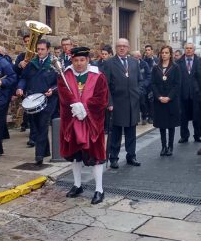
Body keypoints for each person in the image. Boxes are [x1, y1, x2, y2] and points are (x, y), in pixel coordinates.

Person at [58, 47, 109, 204]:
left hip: (91, 122)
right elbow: (63, 93)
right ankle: (77, 185)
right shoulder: (65, 75)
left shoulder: (98, 76)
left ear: (87, 60)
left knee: (96, 156)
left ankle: (99, 189)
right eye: (75, 61)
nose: (79, 64)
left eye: (82, 60)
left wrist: (86, 107)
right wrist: (74, 105)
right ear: (71, 60)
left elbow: (102, 98)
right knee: (75, 156)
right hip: (72, 122)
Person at [16, 40, 58, 165]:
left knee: (43, 125)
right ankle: (45, 151)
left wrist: (53, 90)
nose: (39, 52)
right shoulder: (32, 64)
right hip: (33, 99)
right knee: (35, 125)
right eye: (38, 49)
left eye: (42, 49)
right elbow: (24, 77)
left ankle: (38, 155)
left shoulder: (54, 64)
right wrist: (20, 87)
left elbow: (59, 83)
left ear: (48, 50)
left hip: (48, 100)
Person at [105, 38, 142, 168]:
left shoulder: (134, 62)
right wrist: (109, 102)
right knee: (115, 133)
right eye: (119, 46)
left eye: (124, 46)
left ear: (128, 48)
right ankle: (113, 157)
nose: (122, 48)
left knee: (131, 132)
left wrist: (138, 93)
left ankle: (131, 156)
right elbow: (106, 86)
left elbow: (140, 80)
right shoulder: (109, 63)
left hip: (132, 103)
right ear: (116, 48)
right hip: (117, 103)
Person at [151, 46, 181, 156]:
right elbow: (153, 84)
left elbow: (177, 84)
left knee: (171, 124)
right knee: (162, 124)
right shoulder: (155, 68)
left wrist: (169, 97)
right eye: (162, 52)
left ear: (170, 54)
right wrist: (159, 97)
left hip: (171, 100)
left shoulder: (175, 67)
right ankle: (163, 146)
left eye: (166, 53)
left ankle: (170, 146)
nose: (164, 54)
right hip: (159, 100)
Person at [177, 42, 201, 142]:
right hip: (183, 94)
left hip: (196, 94)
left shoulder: (200, 62)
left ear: (194, 50)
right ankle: (184, 136)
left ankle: (197, 135)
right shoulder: (179, 62)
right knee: (183, 117)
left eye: (191, 48)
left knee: (197, 116)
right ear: (184, 49)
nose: (189, 50)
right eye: (187, 48)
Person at [14, 34, 32, 134]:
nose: (27, 43)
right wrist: (19, 65)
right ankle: (25, 124)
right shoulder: (21, 56)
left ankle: (29, 126)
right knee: (26, 105)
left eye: (29, 41)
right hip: (24, 84)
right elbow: (14, 70)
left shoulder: (38, 55)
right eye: (25, 41)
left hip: (35, 84)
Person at [132, 50, 152, 126]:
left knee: (142, 103)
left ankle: (144, 117)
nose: (138, 58)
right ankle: (135, 119)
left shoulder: (144, 64)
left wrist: (145, 84)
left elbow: (148, 75)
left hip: (142, 88)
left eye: (139, 56)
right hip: (133, 87)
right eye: (136, 57)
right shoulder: (130, 64)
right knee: (134, 104)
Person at [142, 44, 156, 124]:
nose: (147, 51)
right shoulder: (144, 61)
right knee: (145, 101)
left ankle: (151, 116)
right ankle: (146, 115)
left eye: (149, 50)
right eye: (146, 50)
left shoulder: (156, 60)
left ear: (152, 51)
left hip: (154, 84)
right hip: (146, 84)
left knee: (152, 101)